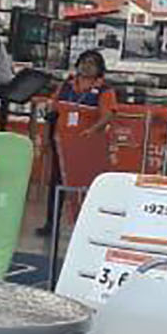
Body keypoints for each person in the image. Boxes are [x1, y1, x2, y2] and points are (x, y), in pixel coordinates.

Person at [41, 48, 118, 234]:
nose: (86, 66)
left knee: (86, 184)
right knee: (56, 183)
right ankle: (51, 224)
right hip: (62, 144)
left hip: (86, 147)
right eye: (83, 62)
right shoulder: (66, 85)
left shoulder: (104, 90)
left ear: (99, 68)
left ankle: (87, 224)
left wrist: (92, 131)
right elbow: (53, 106)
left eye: (92, 63)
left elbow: (108, 115)